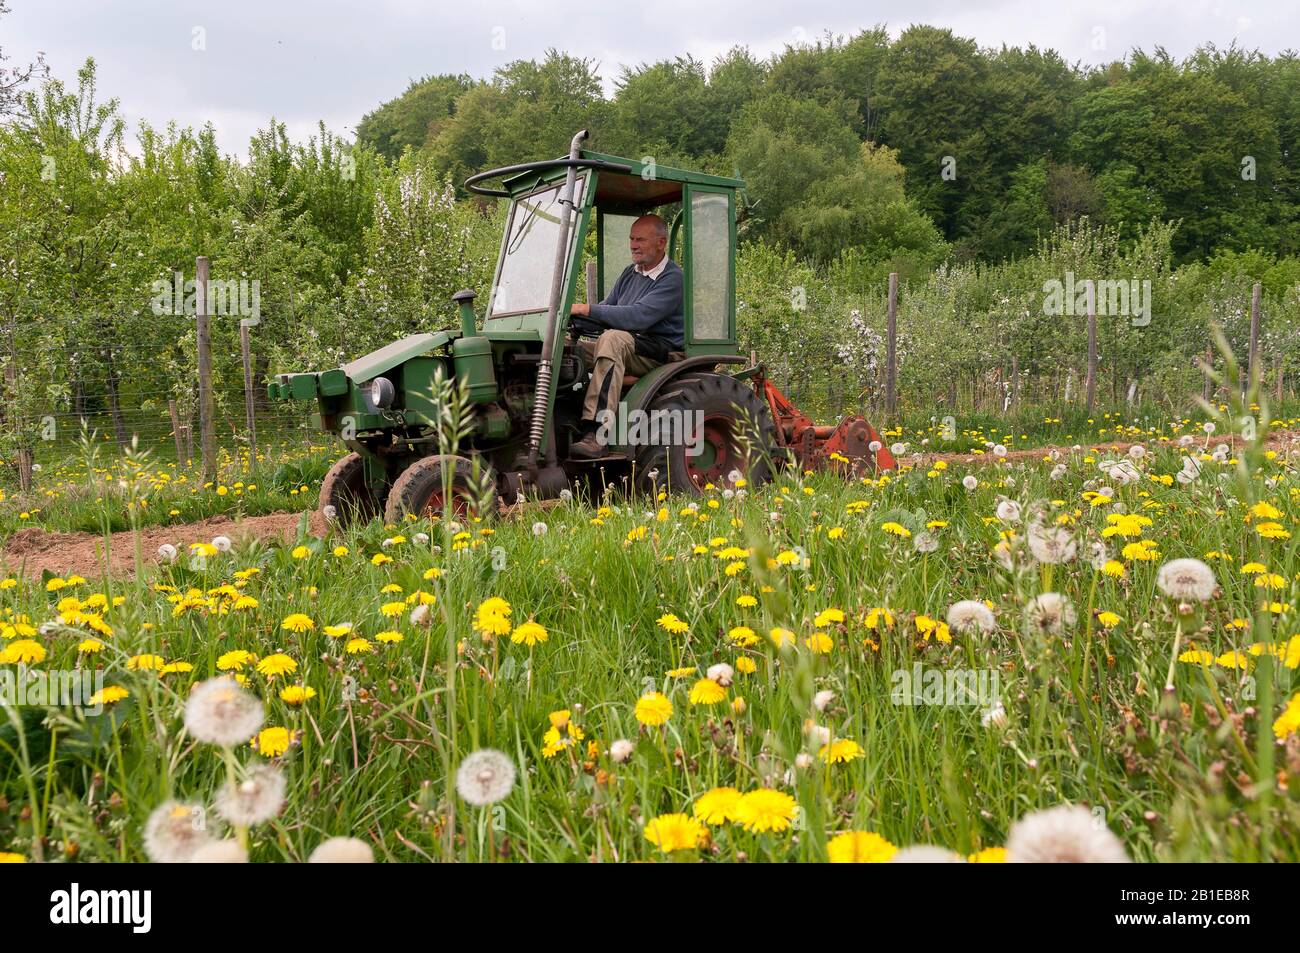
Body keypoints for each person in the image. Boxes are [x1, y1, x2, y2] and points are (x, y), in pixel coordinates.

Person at [567, 213, 683, 459]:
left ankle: (597, 433)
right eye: (631, 239)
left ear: (661, 243)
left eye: (640, 239)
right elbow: (607, 310)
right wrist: (570, 317)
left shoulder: (673, 278)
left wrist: (586, 308)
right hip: (629, 346)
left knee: (611, 339)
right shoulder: (630, 273)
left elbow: (637, 317)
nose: (633, 245)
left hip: (657, 351)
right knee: (564, 349)